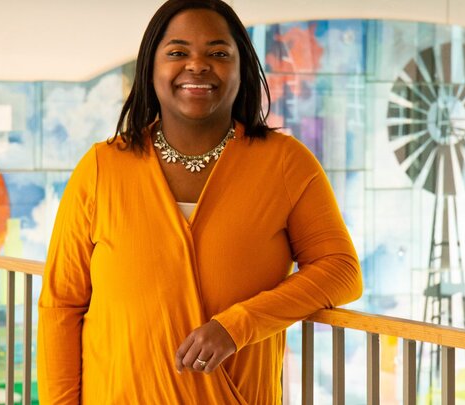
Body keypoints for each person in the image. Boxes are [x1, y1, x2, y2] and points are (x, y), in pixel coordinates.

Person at [36, 0, 363, 403]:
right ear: (150, 68)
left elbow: (341, 271)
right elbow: (61, 306)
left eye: (218, 53)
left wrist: (238, 326)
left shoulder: (285, 162)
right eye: (177, 52)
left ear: (241, 68)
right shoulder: (102, 167)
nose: (197, 65)